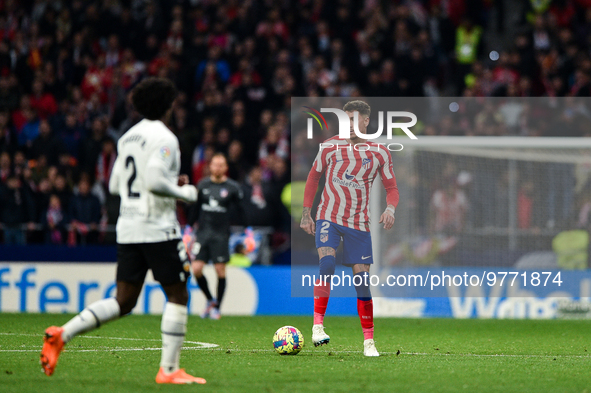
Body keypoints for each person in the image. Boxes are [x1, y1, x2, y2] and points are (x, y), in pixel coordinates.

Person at [40, 77, 206, 385]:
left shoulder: (127, 137)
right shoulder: (165, 138)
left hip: (128, 227)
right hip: (157, 227)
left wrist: (165, 185)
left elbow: (116, 184)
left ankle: (63, 333)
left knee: (124, 300)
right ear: (167, 105)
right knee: (178, 293)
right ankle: (169, 370)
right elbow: (156, 181)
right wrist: (187, 193)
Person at [300, 100, 399, 357]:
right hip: (328, 216)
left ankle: (369, 342)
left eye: (354, 120)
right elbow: (313, 178)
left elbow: (392, 188)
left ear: (366, 121)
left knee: (362, 281)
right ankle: (317, 326)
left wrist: (390, 209)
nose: (350, 126)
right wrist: (305, 213)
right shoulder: (329, 146)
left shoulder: (379, 152)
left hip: (358, 223)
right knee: (327, 265)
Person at [188, 153, 244, 320]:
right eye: (215, 164)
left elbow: (241, 211)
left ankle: (217, 307)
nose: (218, 167)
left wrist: (247, 230)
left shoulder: (232, 187)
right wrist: (188, 229)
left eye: (221, 165)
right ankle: (210, 300)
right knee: (196, 269)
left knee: (220, 270)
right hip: (203, 233)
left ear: (226, 168)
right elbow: (195, 209)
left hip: (220, 234)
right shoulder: (203, 184)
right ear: (210, 166)